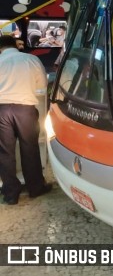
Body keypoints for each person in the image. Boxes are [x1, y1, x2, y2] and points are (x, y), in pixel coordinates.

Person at [0, 35, 51, 205]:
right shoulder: (31, 59)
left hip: (1, 110)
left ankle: (10, 193)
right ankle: (35, 188)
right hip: (25, 109)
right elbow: (42, 84)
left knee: (5, 152)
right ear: (15, 45)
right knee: (30, 148)